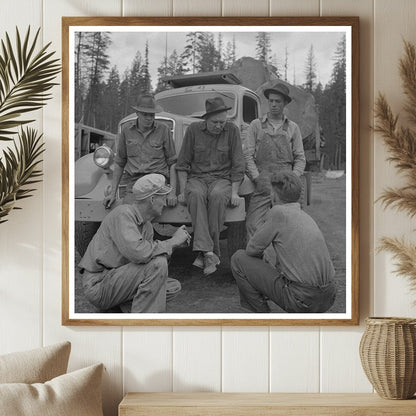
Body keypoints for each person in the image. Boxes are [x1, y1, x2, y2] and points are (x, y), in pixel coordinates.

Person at [79, 174, 191, 313]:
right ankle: (141, 324)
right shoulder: (123, 214)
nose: (165, 203)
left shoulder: (147, 226)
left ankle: (119, 309)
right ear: (152, 199)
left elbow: (148, 260)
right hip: (99, 284)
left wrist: (175, 245)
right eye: (162, 198)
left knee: (172, 286)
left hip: (117, 278)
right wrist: (172, 241)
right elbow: (141, 254)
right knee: (158, 266)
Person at [231, 171, 336, 313]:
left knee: (238, 258)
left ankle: (263, 316)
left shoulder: (278, 212)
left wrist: (262, 264)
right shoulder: (305, 216)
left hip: (302, 300)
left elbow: (251, 250)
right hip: (329, 296)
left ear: (273, 195)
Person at [176, 97, 245, 276]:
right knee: (195, 194)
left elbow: (238, 164)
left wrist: (235, 192)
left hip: (221, 179)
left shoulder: (232, 131)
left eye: (222, 122)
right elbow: (182, 163)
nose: (219, 125)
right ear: (205, 120)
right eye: (215, 122)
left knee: (217, 196)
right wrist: (183, 190)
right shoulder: (193, 130)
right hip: (197, 178)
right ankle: (210, 253)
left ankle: (204, 252)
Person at [244, 82, 306, 238]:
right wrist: (257, 177)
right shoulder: (256, 125)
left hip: (286, 183)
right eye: (271, 101)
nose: (273, 105)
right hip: (263, 181)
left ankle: (285, 262)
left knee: (291, 226)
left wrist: (293, 178)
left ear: (284, 103)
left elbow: (300, 158)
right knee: (253, 224)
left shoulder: (293, 128)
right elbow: (247, 156)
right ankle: (258, 260)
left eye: (277, 101)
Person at [103, 94, 178, 209]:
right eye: (145, 114)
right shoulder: (126, 131)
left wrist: (172, 192)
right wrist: (112, 193)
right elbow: (119, 162)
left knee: (149, 208)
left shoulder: (164, 130)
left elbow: (172, 162)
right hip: (134, 182)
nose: (149, 118)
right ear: (137, 113)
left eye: (152, 115)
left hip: (157, 182)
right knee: (128, 210)